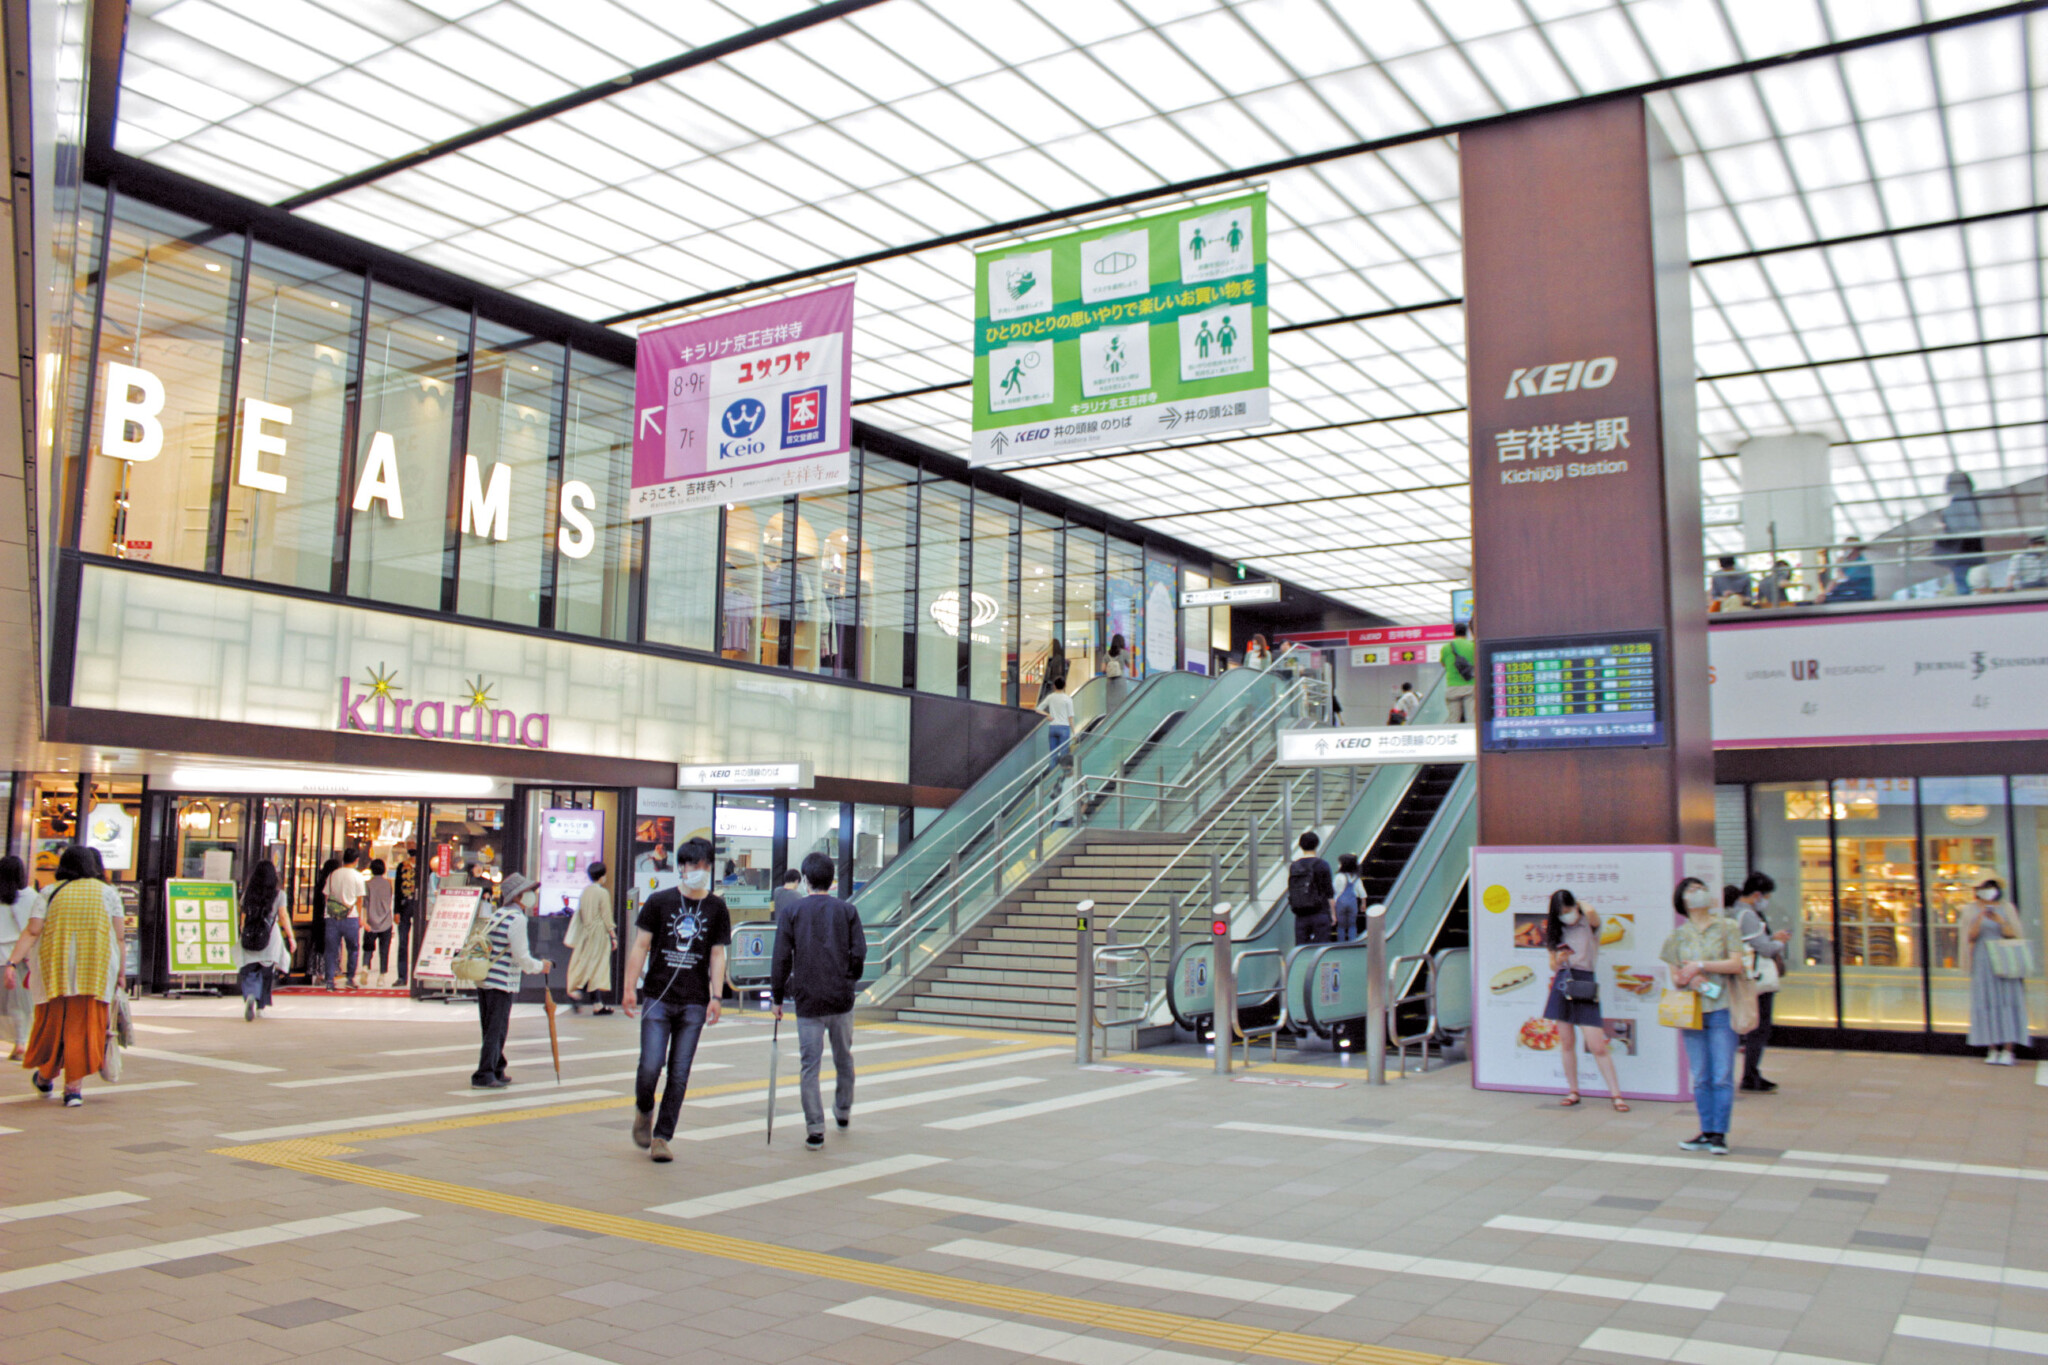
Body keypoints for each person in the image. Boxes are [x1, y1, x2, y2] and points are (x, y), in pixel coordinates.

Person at [621, 839, 728, 1161]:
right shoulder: (659, 901)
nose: (700, 871)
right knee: (650, 1066)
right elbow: (641, 946)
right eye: (694, 865)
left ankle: (662, 1137)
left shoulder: (717, 908)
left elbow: (717, 953)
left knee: (680, 1073)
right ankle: (644, 1108)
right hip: (658, 996)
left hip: (695, 1001)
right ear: (681, 867)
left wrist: (717, 996)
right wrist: (629, 987)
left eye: (706, 865)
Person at [3, 846, 122, 1107]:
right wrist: (122, 973)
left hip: (54, 973)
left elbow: (33, 931)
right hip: (96, 974)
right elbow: (119, 937)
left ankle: (45, 1077)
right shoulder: (108, 893)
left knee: (52, 1027)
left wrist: (12, 962)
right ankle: (73, 1090)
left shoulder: (49, 892)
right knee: (84, 1028)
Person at [771, 850, 867, 1151]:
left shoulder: (792, 912)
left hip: (808, 1000)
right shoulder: (847, 911)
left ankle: (815, 1129)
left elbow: (781, 958)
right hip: (841, 1000)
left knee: (809, 1066)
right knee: (843, 1059)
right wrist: (849, 980)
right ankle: (842, 1111)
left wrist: (777, 996)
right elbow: (860, 952)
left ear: (806, 879)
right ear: (832, 879)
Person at [1661, 877, 1747, 1155]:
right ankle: (1706, 1130)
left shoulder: (1727, 927)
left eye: (1702, 889)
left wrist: (1700, 965)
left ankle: (1720, 1134)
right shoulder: (1677, 936)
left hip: (1722, 1007)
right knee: (1700, 1075)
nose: (1698, 894)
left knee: (1722, 1074)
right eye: (1691, 890)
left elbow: (1736, 964)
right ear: (1682, 901)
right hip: (1692, 1010)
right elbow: (1675, 976)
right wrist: (1688, 978)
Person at [1542, 889, 1630, 1112]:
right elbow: (1552, 965)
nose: (1566, 915)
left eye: (1568, 910)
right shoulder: (1555, 930)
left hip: (1585, 981)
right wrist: (1559, 959)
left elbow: (1591, 911)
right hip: (1562, 981)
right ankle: (1573, 1091)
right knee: (1567, 1041)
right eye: (1561, 912)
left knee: (1597, 1044)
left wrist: (1576, 904)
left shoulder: (1587, 923)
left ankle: (1616, 1095)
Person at [471, 872, 548, 1090]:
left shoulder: (499, 914)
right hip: (501, 981)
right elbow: (521, 956)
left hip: (484, 979)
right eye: (527, 892)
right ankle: (483, 1074)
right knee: (496, 1029)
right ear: (517, 896)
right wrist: (541, 966)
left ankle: (497, 1066)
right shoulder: (517, 919)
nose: (531, 895)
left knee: (491, 1028)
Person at [1732, 872, 1789, 1092]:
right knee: (1759, 1027)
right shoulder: (1747, 915)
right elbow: (1764, 948)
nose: (1766, 901)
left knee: (1754, 1026)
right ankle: (1750, 1074)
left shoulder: (1735, 912)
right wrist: (1779, 943)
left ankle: (1752, 1073)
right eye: (1766, 896)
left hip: (1747, 977)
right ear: (1757, 894)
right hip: (1757, 979)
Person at [1965, 878, 2029, 1065]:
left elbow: (2014, 934)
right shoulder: (1972, 909)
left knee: (2007, 1000)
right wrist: (1980, 917)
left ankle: (2008, 1050)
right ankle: (1991, 1048)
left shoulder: (2006, 908)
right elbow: (1970, 936)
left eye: (1990, 887)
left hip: (2004, 959)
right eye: (1983, 888)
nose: (1987, 891)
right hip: (1983, 960)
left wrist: (2000, 921)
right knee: (1986, 1000)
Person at [235, 860, 295, 1021]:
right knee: (266, 971)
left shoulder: (248, 893)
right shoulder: (279, 895)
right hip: (270, 936)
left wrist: (243, 933)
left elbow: (243, 917)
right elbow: (283, 916)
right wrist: (290, 937)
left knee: (250, 970)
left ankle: (250, 995)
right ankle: (261, 1006)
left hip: (250, 933)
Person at [566, 861, 617, 1016]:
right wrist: (613, 936)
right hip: (599, 933)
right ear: (601, 876)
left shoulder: (585, 892)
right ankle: (578, 992)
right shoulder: (603, 893)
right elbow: (606, 916)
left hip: (586, 933)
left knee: (588, 964)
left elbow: (579, 913)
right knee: (597, 966)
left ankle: (597, 1003)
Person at [0, 857, 33, 1059]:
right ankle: (20, 1044)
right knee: (19, 1004)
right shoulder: (29, 897)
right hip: (18, 957)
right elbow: (33, 929)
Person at [1934, 469, 1985, 594]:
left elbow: (1962, 527)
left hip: (1962, 550)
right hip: (1972, 549)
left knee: (1963, 584)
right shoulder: (1972, 501)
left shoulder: (1958, 502)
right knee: (1974, 582)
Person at [324, 848, 365, 990]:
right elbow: (359, 900)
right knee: (353, 948)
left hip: (332, 917)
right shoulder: (358, 876)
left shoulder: (333, 875)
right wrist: (360, 917)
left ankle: (329, 980)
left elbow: (326, 895)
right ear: (356, 860)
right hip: (351, 916)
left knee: (331, 950)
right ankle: (350, 978)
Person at [1285, 831, 1336, 946]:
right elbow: (1329, 893)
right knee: (1321, 948)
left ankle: (1302, 964)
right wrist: (1333, 914)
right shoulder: (1322, 864)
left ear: (1300, 846)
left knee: (1301, 948)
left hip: (1300, 913)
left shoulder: (1294, 866)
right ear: (1317, 844)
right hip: (1320, 912)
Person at [361, 858, 396, 986]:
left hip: (371, 921)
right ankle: (381, 976)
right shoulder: (388, 884)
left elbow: (365, 904)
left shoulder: (368, 884)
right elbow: (389, 900)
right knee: (384, 950)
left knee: (368, 948)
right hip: (386, 921)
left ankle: (365, 966)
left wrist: (364, 921)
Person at [392, 845, 419, 987]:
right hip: (404, 905)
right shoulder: (402, 867)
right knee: (403, 942)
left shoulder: (424, 866)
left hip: (419, 905)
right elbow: (397, 889)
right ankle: (402, 976)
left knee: (418, 942)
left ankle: (418, 976)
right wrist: (396, 911)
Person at [310, 855, 339, 982]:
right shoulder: (332, 885)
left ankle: (318, 973)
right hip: (329, 919)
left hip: (318, 920)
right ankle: (328, 972)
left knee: (319, 946)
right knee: (330, 946)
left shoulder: (319, 883)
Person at [1037, 671, 1075, 768]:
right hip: (1064, 728)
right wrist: (1074, 732)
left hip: (1052, 727)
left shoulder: (1050, 697)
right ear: (1064, 685)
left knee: (1052, 755)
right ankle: (1061, 777)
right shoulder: (1067, 699)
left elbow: (1038, 709)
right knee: (1064, 755)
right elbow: (1070, 717)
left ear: (1054, 686)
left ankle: (1051, 780)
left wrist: (1047, 715)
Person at [1440, 623, 1475, 723]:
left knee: (1454, 719)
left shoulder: (1446, 648)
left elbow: (1443, 664)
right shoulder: (1472, 646)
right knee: (1471, 718)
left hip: (1452, 687)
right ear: (1466, 632)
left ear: (1454, 632)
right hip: (1470, 686)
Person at [1333, 853, 1362, 943]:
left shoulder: (1339, 877)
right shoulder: (1356, 877)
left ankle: (1341, 943)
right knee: (1352, 925)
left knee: (1341, 926)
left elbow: (1334, 890)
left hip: (1340, 903)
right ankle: (1352, 941)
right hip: (1353, 902)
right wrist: (1363, 903)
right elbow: (1361, 892)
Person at [1105, 632, 1129, 706]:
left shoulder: (1107, 654)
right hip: (1120, 681)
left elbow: (1102, 668)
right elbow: (1130, 666)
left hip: (1109, 682)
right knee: (1121, 704)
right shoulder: (1124, 653)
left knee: (1111, 704)